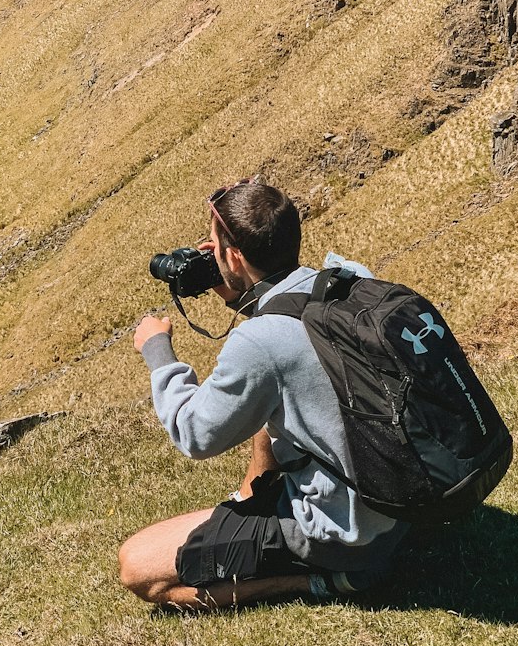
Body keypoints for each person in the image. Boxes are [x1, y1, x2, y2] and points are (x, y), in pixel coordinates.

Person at [118, 179, 410, 610]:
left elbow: (194, 434)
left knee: (139, 566)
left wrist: (158, 351)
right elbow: (293, 347)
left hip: (346, 529)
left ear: (233, 257)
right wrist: (245, 292)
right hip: (403, 500)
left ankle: (330, 580)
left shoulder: (259, 343)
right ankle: (260, 502)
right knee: (274, 401)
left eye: (216, 247)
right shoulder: (351, 281)